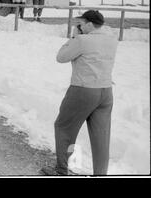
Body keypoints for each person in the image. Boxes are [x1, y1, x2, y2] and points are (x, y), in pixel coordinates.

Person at [41, 10, 118, 176]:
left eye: (81, 24)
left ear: (90, 24)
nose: (79, 27)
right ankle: (101, 173)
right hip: (106, 92)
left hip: (83, 90)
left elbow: (61, 57)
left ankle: (61, 170)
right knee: (101, 136)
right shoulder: (112, 39)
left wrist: (74, 37)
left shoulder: (82, 40)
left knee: (64, 127)